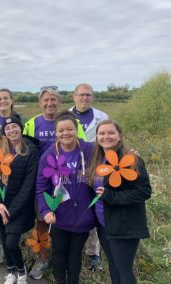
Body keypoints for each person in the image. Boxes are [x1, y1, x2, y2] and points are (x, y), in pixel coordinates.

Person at [23, 86, 85, 280]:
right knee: (43, 221)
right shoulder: (32, 124)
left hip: (70, 181)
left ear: (59, 101)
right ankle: (43, 259)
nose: (49, 103)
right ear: (40, 103)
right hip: (43, 182)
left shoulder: (71, 122)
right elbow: (24, 151)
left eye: (53, 100)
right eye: (45, 100)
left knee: (68, 221)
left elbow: (85, 149)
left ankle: (70, 262)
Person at [88, 120, 151, 284]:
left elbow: (144, 191)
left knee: (124, 270)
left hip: (124, 224)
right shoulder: (99, 159)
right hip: (104, 224)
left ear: (119, 136)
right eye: (101, 133)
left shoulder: (131, 160)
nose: (106, 137)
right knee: (114, 267)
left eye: (110, 133)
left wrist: (111, 197)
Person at [36, 110, 95, 284]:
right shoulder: (48, 155)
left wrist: (130, 154)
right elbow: (41, 187)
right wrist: (45, 210)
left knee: (76, 253)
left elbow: (111, 154)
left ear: (76, 130)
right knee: (60, 252)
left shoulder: (90, 150)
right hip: (59, 215)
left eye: (69, 129)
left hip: (83, 215)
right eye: (61, 130)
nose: (65, 133)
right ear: (56, 133)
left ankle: (74, 280)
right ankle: (60, 280)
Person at [0, 116, 40, 284]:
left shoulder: (31, 151)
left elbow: (28, 185)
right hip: (0, 206)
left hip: (19, 207)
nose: (11, 130)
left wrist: (10, 210)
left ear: (21, 128)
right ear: (4, 132)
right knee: (3, 241)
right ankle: (10, 271)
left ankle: (21, 271)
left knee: (11, 243)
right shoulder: (0, 151)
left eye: (14, 126)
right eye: (8, 128)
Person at [69, 83, 109, 271]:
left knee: (94, 208)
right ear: (74, 96)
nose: (85, 98)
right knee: (70, 206)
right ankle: (70, 248)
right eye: (81, 95)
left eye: (88, 95)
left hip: (94, 169)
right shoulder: (66, 115)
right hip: (70, 170)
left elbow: (107, 141)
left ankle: (93, 253)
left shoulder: (102, 117)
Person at [0, 88, 23, 264]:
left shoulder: (21, 118)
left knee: (15, 207)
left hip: (17, 168)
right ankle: (2, 245)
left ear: (11, 99)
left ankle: (14, 246)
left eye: (5, 98)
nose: (2, 102)